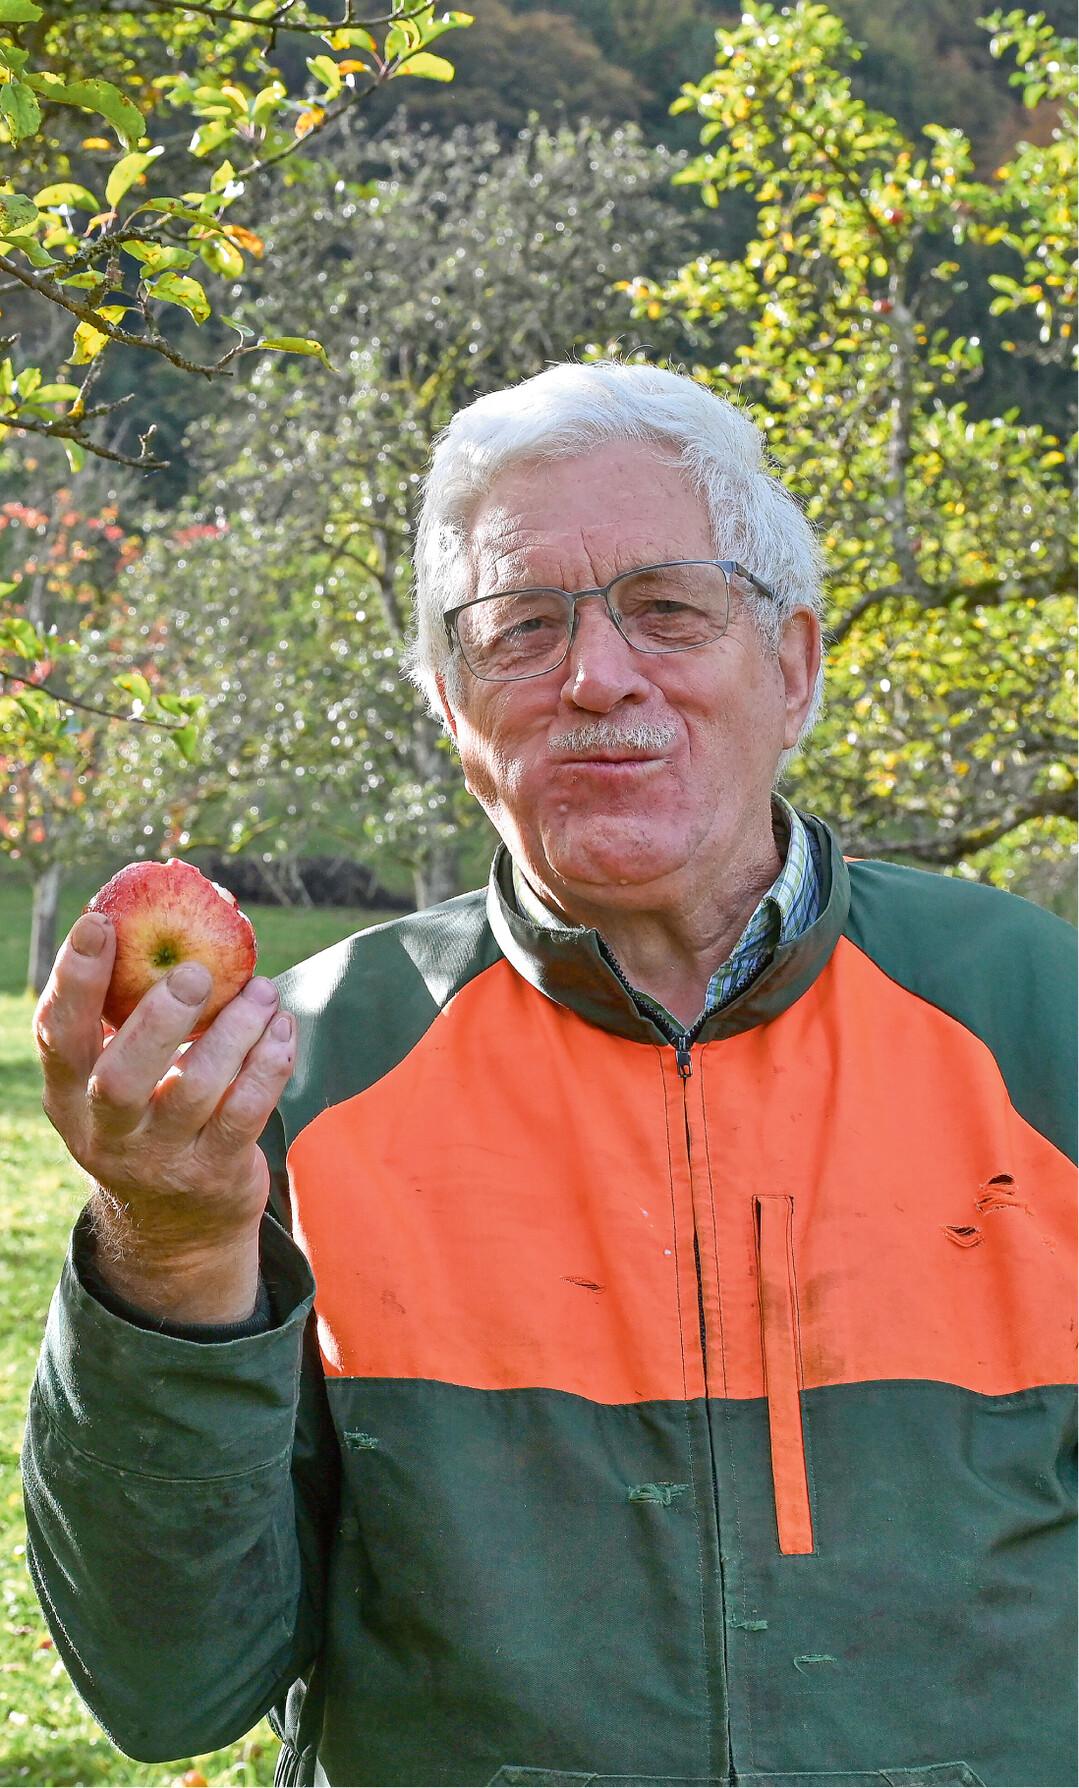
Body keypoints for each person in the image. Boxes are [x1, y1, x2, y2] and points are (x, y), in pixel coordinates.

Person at [23, 364, 1076, 1788]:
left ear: (797, 665)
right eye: (521, 630)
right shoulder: (303, 1074)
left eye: (668, 607)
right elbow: (170, 1685)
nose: (596, 676)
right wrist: (171, 1242)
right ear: (455, 715)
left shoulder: (1040, 1021)